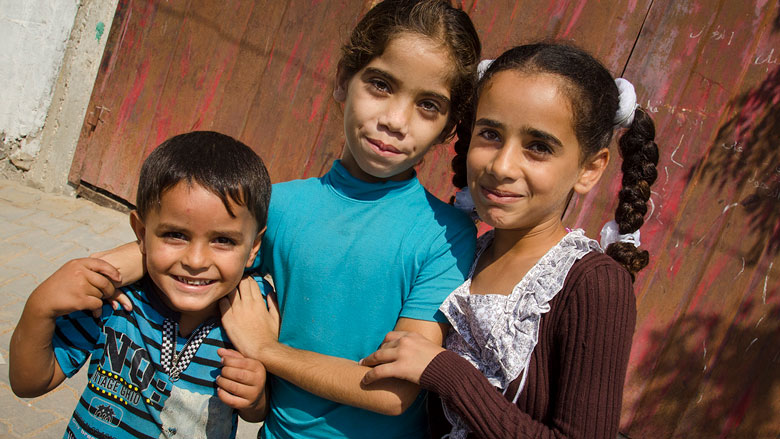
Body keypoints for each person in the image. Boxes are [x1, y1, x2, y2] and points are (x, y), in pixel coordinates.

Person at [88, 1, 482, 437]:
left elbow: (392, 393)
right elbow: (186, 246)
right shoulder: (281, 206)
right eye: (380, 85)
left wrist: (265, 350)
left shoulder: (445, 236)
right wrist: (96, 273)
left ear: (448, 128)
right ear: (342, 81)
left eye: (428, 105)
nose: (395, 120)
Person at [359, 43, 660, 439]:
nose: (501, 166)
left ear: (589, 169)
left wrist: (448, 373)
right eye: (490, 134)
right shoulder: (462, 251)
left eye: (538, 147)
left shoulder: (592, 285)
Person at [9, 131, 273, 438]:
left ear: (254, 247)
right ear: (141, 231)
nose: (197, 260)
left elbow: (257, 411)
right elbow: (29, 383)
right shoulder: (115, 300)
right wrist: (39, 307)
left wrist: (255, 397)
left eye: (223, 240)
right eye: (176, 234)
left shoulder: (254, 312)